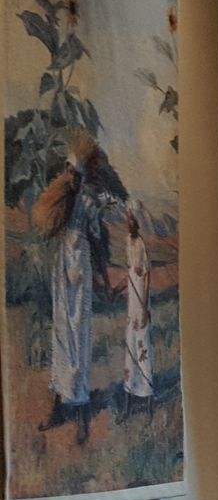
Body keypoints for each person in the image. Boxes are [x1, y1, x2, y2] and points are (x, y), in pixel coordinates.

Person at [32, 129, 113, 444]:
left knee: (79, 337)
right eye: (70, 173)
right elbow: (48, 224)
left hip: (80, 272)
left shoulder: (90, 201)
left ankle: (79, 413)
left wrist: (103, 280)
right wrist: (61, 193)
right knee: (62, 336)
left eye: (76, 174)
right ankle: (59, 406)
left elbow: (96, 244)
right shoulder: (64, 195)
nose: (73, 178)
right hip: (62, 272)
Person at [122, 203, 153, 416]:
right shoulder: (127, 241)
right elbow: (130, 271)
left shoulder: (141, 243)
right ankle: (129, 398)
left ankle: (148, 395)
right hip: (131, 300)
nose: (130, 224)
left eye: (133, 221)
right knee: (130, 347)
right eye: (128, 220)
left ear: (137, 223)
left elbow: (147, 274)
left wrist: (144, 305)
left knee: (143, 346)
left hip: (141, 296)